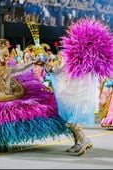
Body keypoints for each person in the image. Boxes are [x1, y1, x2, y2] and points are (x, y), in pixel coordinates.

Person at [48, 19, 113, 156]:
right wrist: (51, 69)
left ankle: (84, 140)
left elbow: (60, 69)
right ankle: (78, 143)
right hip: (77, 93)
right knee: (71, 121)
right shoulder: (86, 58)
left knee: (70, 122)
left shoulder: (81, 57)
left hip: (75, 94)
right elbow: (62, 69)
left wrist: (51, 69)